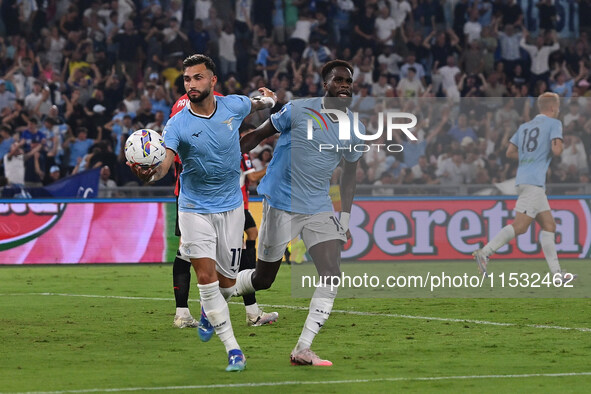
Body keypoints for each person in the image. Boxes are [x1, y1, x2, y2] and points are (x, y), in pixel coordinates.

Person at [131, 54, 277, 372]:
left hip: (231, 207)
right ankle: (234, 350)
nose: (191, 84)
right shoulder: (177, 124)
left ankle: (209, 312)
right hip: (194, 207)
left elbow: (254, 104)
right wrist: (150, 175)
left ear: (212, 81)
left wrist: (268, 98)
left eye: (197, 78)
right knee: (206, 279)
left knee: (226, 285)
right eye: (187, 79)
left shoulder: (232, 105)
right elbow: (165, 164)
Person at [234, 60, 364, 366]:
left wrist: (344, 218)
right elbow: (256, 138)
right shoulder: (297, 110)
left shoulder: (354, 127)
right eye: (339, 80)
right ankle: (219, 293)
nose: (345, 85)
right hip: (281, 201)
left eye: (349, 81)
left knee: (331, 273)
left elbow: (350, 174)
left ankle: (303, 348)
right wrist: (225, 153)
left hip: (318, 205)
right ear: (325, 85)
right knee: (264, 279)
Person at [169, 95, 277, 329]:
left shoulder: (208, 118)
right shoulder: (185, 125)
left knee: (247, 237)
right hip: (197, 201)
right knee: (188, 252)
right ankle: (191, 310)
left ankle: (242, 309)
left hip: (227, 203)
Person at [473, 93, 575, 284]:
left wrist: (530, 157)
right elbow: (557, 150)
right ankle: (484, 253)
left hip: (524, 180)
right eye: (558, 107)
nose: (558, 110)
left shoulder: (525, 126)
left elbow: (509, 152)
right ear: (553, 108)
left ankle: (557, 274)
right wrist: (558, 144)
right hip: (534, 182)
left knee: (549, 226)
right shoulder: (555, 124)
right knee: (520, 226)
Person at [238, 123, 279, 326]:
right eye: (250, 134)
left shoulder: (233, 151)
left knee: (252, 233)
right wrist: (272, 167)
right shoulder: (241, 152)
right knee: (236, 257)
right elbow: (253, 177)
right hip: (234, 206)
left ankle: (252, 311)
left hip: (238, 206)